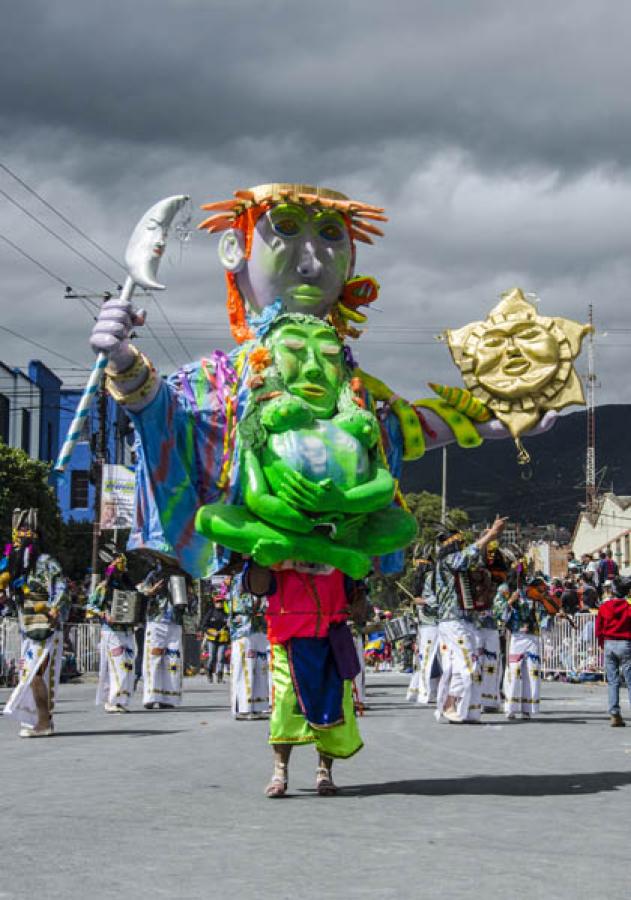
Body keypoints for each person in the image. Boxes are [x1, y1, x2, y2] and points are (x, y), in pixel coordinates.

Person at [242, 560, 363, 798]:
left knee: (332, 707)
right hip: (288, 639)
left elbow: (357, 600)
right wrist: (258, 557)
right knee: (285, 705)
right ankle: (279, 772)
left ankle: (324, 772)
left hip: (331, 639)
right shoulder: (276, 551)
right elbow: (257, 586)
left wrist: (359, 590)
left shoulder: (341, 553)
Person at [431, 516, 507, 724]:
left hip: (463, 621)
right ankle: (448, 704)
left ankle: (468, 710)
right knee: (467, 665)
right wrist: (490, 534)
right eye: (459, 544)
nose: (462, 548)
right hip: (453, 621)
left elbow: (473, 559)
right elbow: (465, 557)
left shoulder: (455, 566)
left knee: (468, 664)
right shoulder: (448, 562)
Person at [2, 509, 70, 738]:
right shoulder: (12, 562)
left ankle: (44, 723)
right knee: (29, 675)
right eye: (19, 529)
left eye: (27, 529)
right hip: (26, 625)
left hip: (45, 626)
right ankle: (42, 719)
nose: (23, 533)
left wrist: (53, 609)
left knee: (35, 673)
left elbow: (61, 588)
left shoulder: (45, 561)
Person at [88, 553, 138, 713]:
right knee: (118, 666)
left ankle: (120, 699)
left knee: (128, 666)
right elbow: (90, 607)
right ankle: (113, 700)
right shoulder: (103, 587)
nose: (119, 572)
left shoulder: (128, 587)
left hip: (127, 630)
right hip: (111, 632)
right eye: (116, 568)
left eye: (121, 569)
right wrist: (104, 614)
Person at [137, 559, 188, 709]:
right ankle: (151, 696)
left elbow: (191, 602)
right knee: (154, 657)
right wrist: (152, 590)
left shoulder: (184, 576)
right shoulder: (154, 574)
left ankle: (169, 697)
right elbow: (140, 589)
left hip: (175, 622)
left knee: (173, 659)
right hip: (156, 620)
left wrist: (187, 598)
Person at [495, 574, 545, 720]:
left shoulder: (534, 590)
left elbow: (544, 610)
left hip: (533, 635)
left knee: (532, 672)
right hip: (516, 636)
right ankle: (510, 707)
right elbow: (498, 613)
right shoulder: (504, 589)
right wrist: (510, 601)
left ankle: (528, 708)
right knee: (514, 672)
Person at [228, 572, 269, 719]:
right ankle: (243, 708)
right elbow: (240, 605)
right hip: (243, 629)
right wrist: (257, 601)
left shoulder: (266, 575)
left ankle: (258, 706)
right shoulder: (240, 578)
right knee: (245, 667)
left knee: (261, 667)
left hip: (260, 627)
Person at [596, 579, 631, 726]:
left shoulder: (604, 607)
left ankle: (614, 713)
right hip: (626, 643)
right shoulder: (628, 608)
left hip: (609, 642)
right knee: (630, 680)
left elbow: (599, 628)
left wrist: (601, 644)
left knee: (613, 681)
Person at [200, 591, 230, 683]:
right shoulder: (210, 612)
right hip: (212, 639)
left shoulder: (226, 613)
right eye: (217, 602)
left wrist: (229, 625)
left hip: (223, 639)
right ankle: (209, 673)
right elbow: (203, 626)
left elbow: (230, 627)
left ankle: (220, 676)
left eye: (221, 601)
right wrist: (211, 632)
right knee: (212, 657)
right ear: (214, 602)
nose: (219, 603)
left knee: (220, 658)